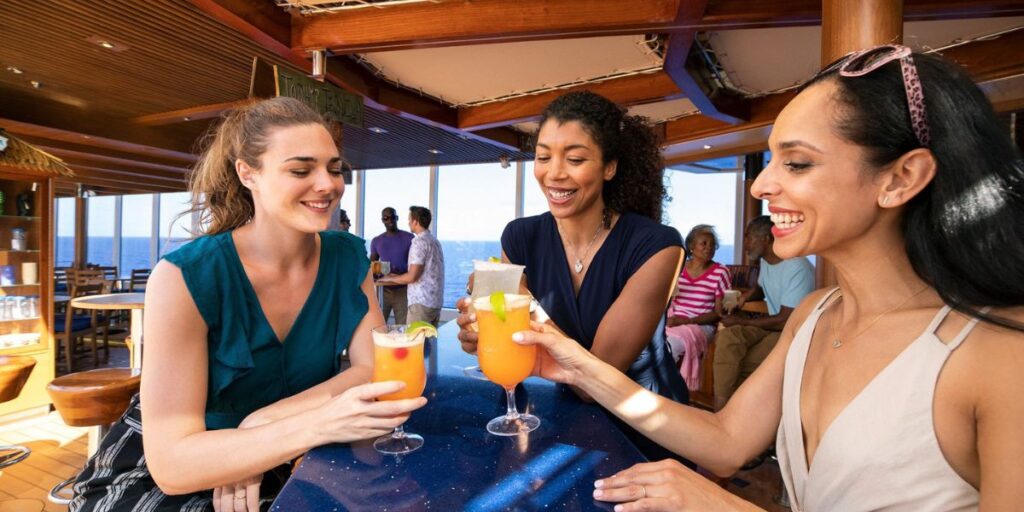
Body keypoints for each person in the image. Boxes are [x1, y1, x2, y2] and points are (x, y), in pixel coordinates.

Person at [512, 46, 1024, 511]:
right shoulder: (816, 314)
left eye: (797, 163)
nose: (762, 183)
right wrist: (572, 364)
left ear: (900, 178)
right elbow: (727, 440)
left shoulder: (1000, 353)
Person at [70, 97, 426, 511]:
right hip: (169, 471)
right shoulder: (184, 276)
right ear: (247, 173)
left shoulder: (349, 258)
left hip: (291, 449)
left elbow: (372, 369)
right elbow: (172, 464)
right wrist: (299, 428)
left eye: (334, 168)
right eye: (300, 170)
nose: (329, 184)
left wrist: (264, 423)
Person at [456, 90, 688, 461]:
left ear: (609, 167)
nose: (555, 173)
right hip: (558, 417)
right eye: (544, 156)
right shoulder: (519, 237)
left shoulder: (657, 246)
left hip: (644, 428)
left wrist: (526, 307)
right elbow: (507, 333)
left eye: (575, 159)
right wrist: (481, 332)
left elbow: (595, 384)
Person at [712, 215, 814, 405]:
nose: (746, 244)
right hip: (771, 327)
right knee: (728, 338)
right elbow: (760, 287)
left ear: (766, 239)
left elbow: (785, 320)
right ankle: (720, 408)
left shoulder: (797, 268)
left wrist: (741, 321)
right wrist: (743, 298)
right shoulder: (768, 261)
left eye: (749, 237)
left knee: (744, 363)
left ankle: (728, 414)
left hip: (792, 331)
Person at [664, 224, 731, 391]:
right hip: (674, 319)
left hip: (701, 325)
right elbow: (667, 297)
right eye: (704, 243)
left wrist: (685, 321)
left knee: (668, 347)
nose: (709, 248)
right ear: (691, 246)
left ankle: (667, 393)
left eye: (712, 244)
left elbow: (718, 314)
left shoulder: (720, 272)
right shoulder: (678, 267)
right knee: (649, 342)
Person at [381, 206, 444, 326]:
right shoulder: (434, 241)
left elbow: (412, 277)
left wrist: (390, 278)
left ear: (415, 221)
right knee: (428, 343)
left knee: (414, 343)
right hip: (435, 304)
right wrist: (397, 276)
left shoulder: (418, 242)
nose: (408, 222)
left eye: (410, 219)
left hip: (421, 304)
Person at [370, 207, 414, 323]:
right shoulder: (377, 241)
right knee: (378, 326)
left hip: (403, 290)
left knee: (403, 328)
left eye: (392, 217)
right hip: (383, 291)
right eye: (386, 218)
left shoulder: (410, 238)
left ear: (397, 218)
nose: (390, 220)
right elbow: (372, 265)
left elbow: (416, 265)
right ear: (382, 220)